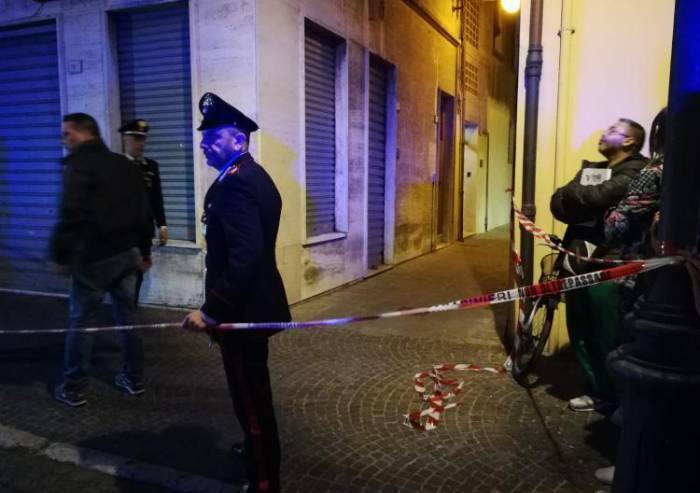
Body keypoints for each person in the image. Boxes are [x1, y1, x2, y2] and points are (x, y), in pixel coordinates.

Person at [182, 93, 290, 493]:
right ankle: (256, 451)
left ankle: (264, 480)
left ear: (238, 140)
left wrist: (211, 310)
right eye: (203, 138)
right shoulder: (248, 176)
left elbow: (246, 257)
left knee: (251, 402)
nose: (203, 145)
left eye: (212, 138)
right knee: (251, 397)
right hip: (249, 308)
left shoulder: (237, 185)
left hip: (241, 313)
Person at [50, 113, 153, 407]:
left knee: (82, 321)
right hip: (127, 255)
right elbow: (143, 212)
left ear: (85, 133)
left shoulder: (79, 165)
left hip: (93, 259)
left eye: (67, 134)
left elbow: (70, 213)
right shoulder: (124, 165)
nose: (64, 140)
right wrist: (144, 251)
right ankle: (134, 379)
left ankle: (73, 388)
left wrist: (59, 255)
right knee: (128, 318)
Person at [550, 118, 648, 412]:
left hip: (611, 264)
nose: (604, 133)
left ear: (629, 141)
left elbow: (599, 195)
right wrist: (579, 198)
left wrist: (575, 196)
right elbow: (557, 203)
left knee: (606, 330)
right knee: (580, 326)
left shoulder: (637, 170)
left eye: (613, 131)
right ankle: (596, 388)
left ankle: (613, 394)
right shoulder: (593, 168)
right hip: (579, 259)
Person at [119, 119, 167, 305]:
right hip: (121, 233)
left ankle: (130, 308)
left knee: (139, 272)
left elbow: (157, 198)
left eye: (143, 139)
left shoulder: (151, 167)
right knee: (122, 274)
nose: (141, 143)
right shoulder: (115, 166)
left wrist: (162, 225)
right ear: (125, 139)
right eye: (136, 138)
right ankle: (123, 310)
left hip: (143, 234)